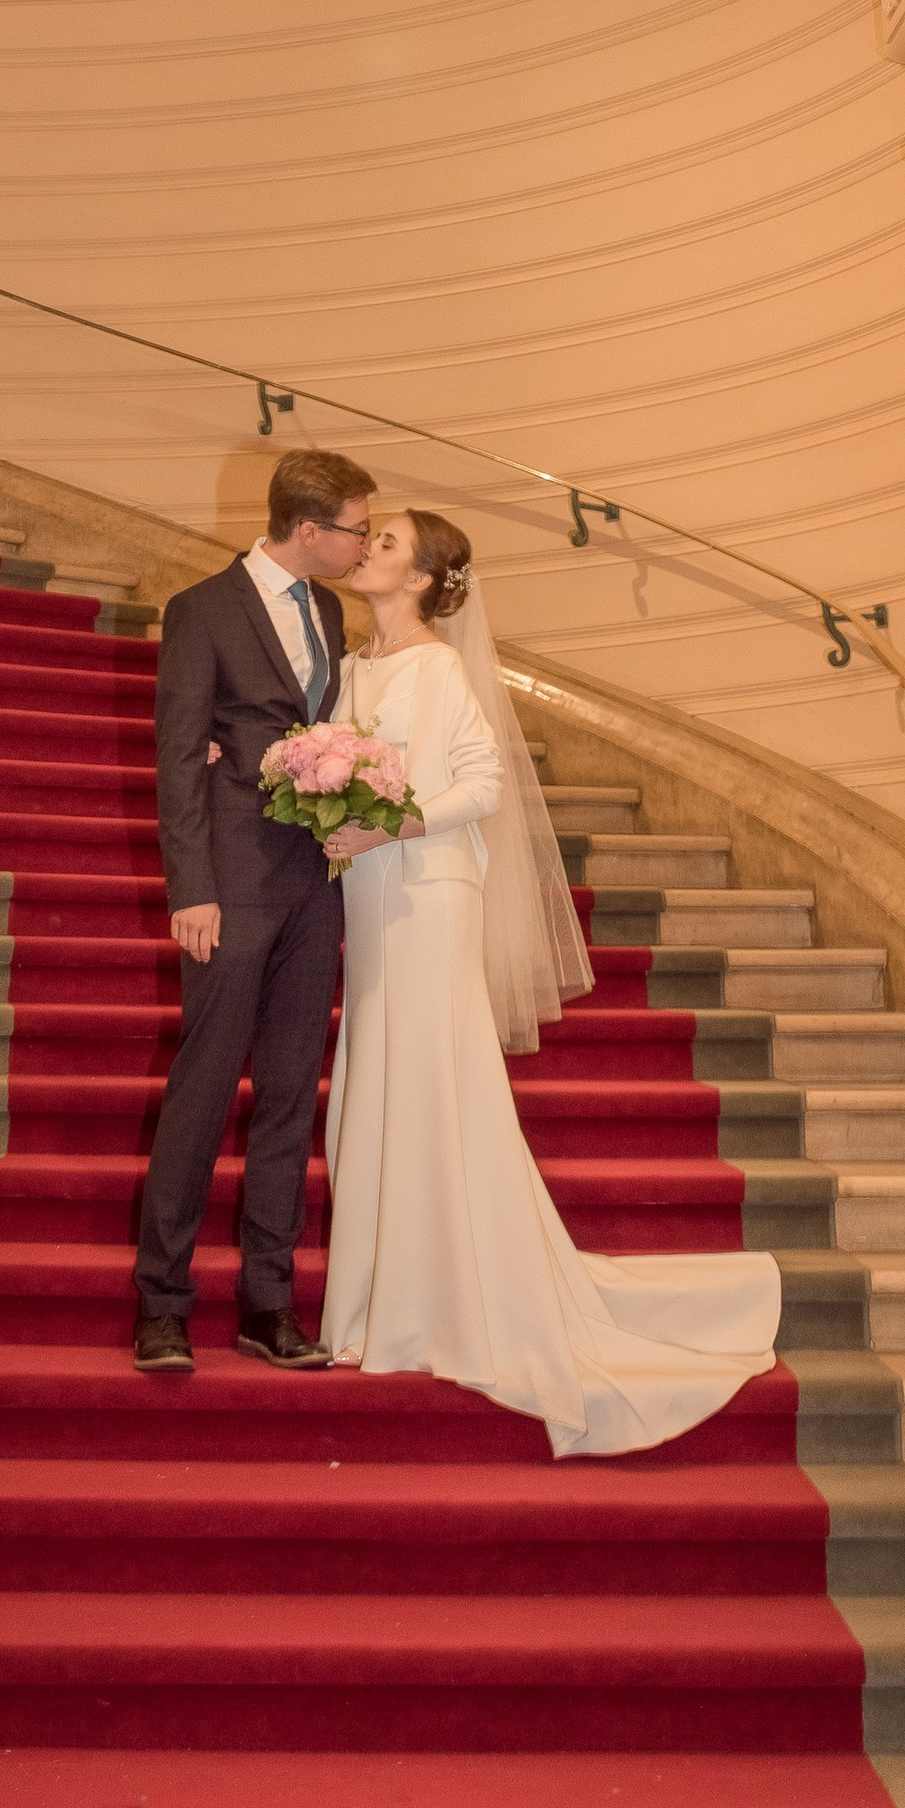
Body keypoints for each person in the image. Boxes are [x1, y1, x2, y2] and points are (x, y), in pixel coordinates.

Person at [319, 506, 782, 1456]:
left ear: (422, 578)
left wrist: (387, 826)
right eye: (372, 538)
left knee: (432, 1083)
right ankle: (383, 1298)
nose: (368, 549)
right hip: (368, 896)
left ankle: (432, 1302)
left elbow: (483, 786)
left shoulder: (440, 668)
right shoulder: (353, 669)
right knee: (379, 1074)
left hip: (429, 893)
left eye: (389, 543)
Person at [131, 445, 369, 1371]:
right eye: (352, 527)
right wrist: (189, 886)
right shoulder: (201, 610)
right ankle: (162, 1301)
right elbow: (179, 753)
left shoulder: (331, 608)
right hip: (228, 880)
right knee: (201, 1089)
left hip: (314, 882)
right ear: (308, 529)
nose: (360, 543)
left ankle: (268, 1301)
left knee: (285, 1096)